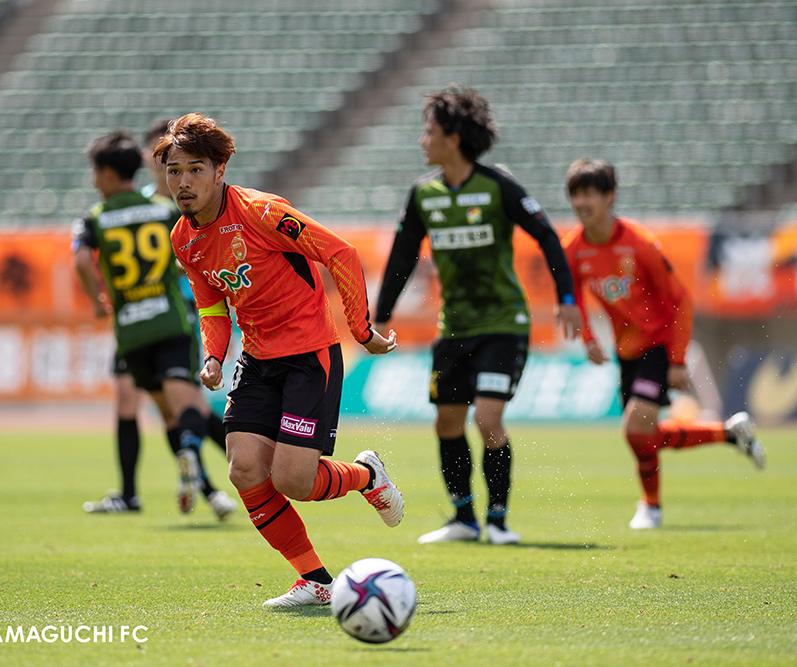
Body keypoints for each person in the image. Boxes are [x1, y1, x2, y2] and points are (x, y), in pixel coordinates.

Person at [156, 113, 403, 608]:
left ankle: (366, 475)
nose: (183, 182)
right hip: (257, 359)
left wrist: (361, 331)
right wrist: (213, 356)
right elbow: (211, 305)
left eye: (195, 170)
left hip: (309, 355)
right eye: (174, 170)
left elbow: (341, 254)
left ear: (220, 170)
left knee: (294, 481)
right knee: (244, 468)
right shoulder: (183, 238)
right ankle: (315, 579)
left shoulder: (263, 212)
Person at [374, 86, 583, 546]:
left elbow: (548, 237)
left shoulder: (497, 186)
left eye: (429, 132)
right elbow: (402, 256)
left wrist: (567, 296)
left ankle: (499, 521)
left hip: (503, 326)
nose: (422, 140)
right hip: (454, 329)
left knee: (488, 420)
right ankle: (464, 519)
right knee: (447, 424)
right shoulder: (424, 194)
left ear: (452, 138)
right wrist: (380, 316)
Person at [563, 157, 765, 529]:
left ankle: (650, 507)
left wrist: (676, 359)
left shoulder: (640, 244)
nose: (580, 202)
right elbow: (571, 295)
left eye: (588, 193)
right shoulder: (574, 248)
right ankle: (729, 433)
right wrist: (588, 339)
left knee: (634, 427)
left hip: (657, 342)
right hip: (625, 349)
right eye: (575, 194)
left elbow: (680, 300)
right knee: (643, 436)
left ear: (609, 197)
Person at [72, 129, 236, 520]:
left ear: (107, 172)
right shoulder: (164, 211)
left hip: (131, 328)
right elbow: (190, 250)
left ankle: (194, 481)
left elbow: (80, 261)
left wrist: (98, 301)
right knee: (189, 405)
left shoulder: (97, 218)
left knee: (166, 412)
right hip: (170, 319)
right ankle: (196, 461)